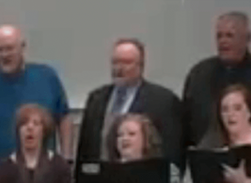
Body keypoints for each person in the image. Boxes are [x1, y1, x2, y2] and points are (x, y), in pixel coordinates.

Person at [0, 25, 73, 183]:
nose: (4, 55)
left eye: (9, 49)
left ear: (22, 47)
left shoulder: (46, 78)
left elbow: (64, 118)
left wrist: (66, 158)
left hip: (43, 182)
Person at [182, 11, 251, 156]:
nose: (223, 41)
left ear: (248, 39)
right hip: (206, 157)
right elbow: (185, 125)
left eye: (229, 35)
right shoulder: (199, 74)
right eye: (219, 36)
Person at [76, 39, 184, 168]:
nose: (119, 68)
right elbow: (85, 149)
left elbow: (173, 150)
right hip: (101, 175)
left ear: (141, 66)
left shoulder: (163, 100)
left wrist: (172, 179)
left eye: (126, 62)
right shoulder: (96, 99)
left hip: (144, 175)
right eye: (115, 62)